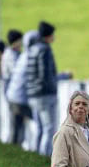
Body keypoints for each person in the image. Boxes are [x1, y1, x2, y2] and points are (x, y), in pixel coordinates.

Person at [19, 21, 59, 156]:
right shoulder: (45, 49)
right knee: (49, 128)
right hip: (44, 95)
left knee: (40, 128)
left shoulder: (33, 49)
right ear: (48, 35)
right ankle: (45, 157)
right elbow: (45, 75)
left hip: (33, 94)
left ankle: (36, 156)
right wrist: (53, 88)